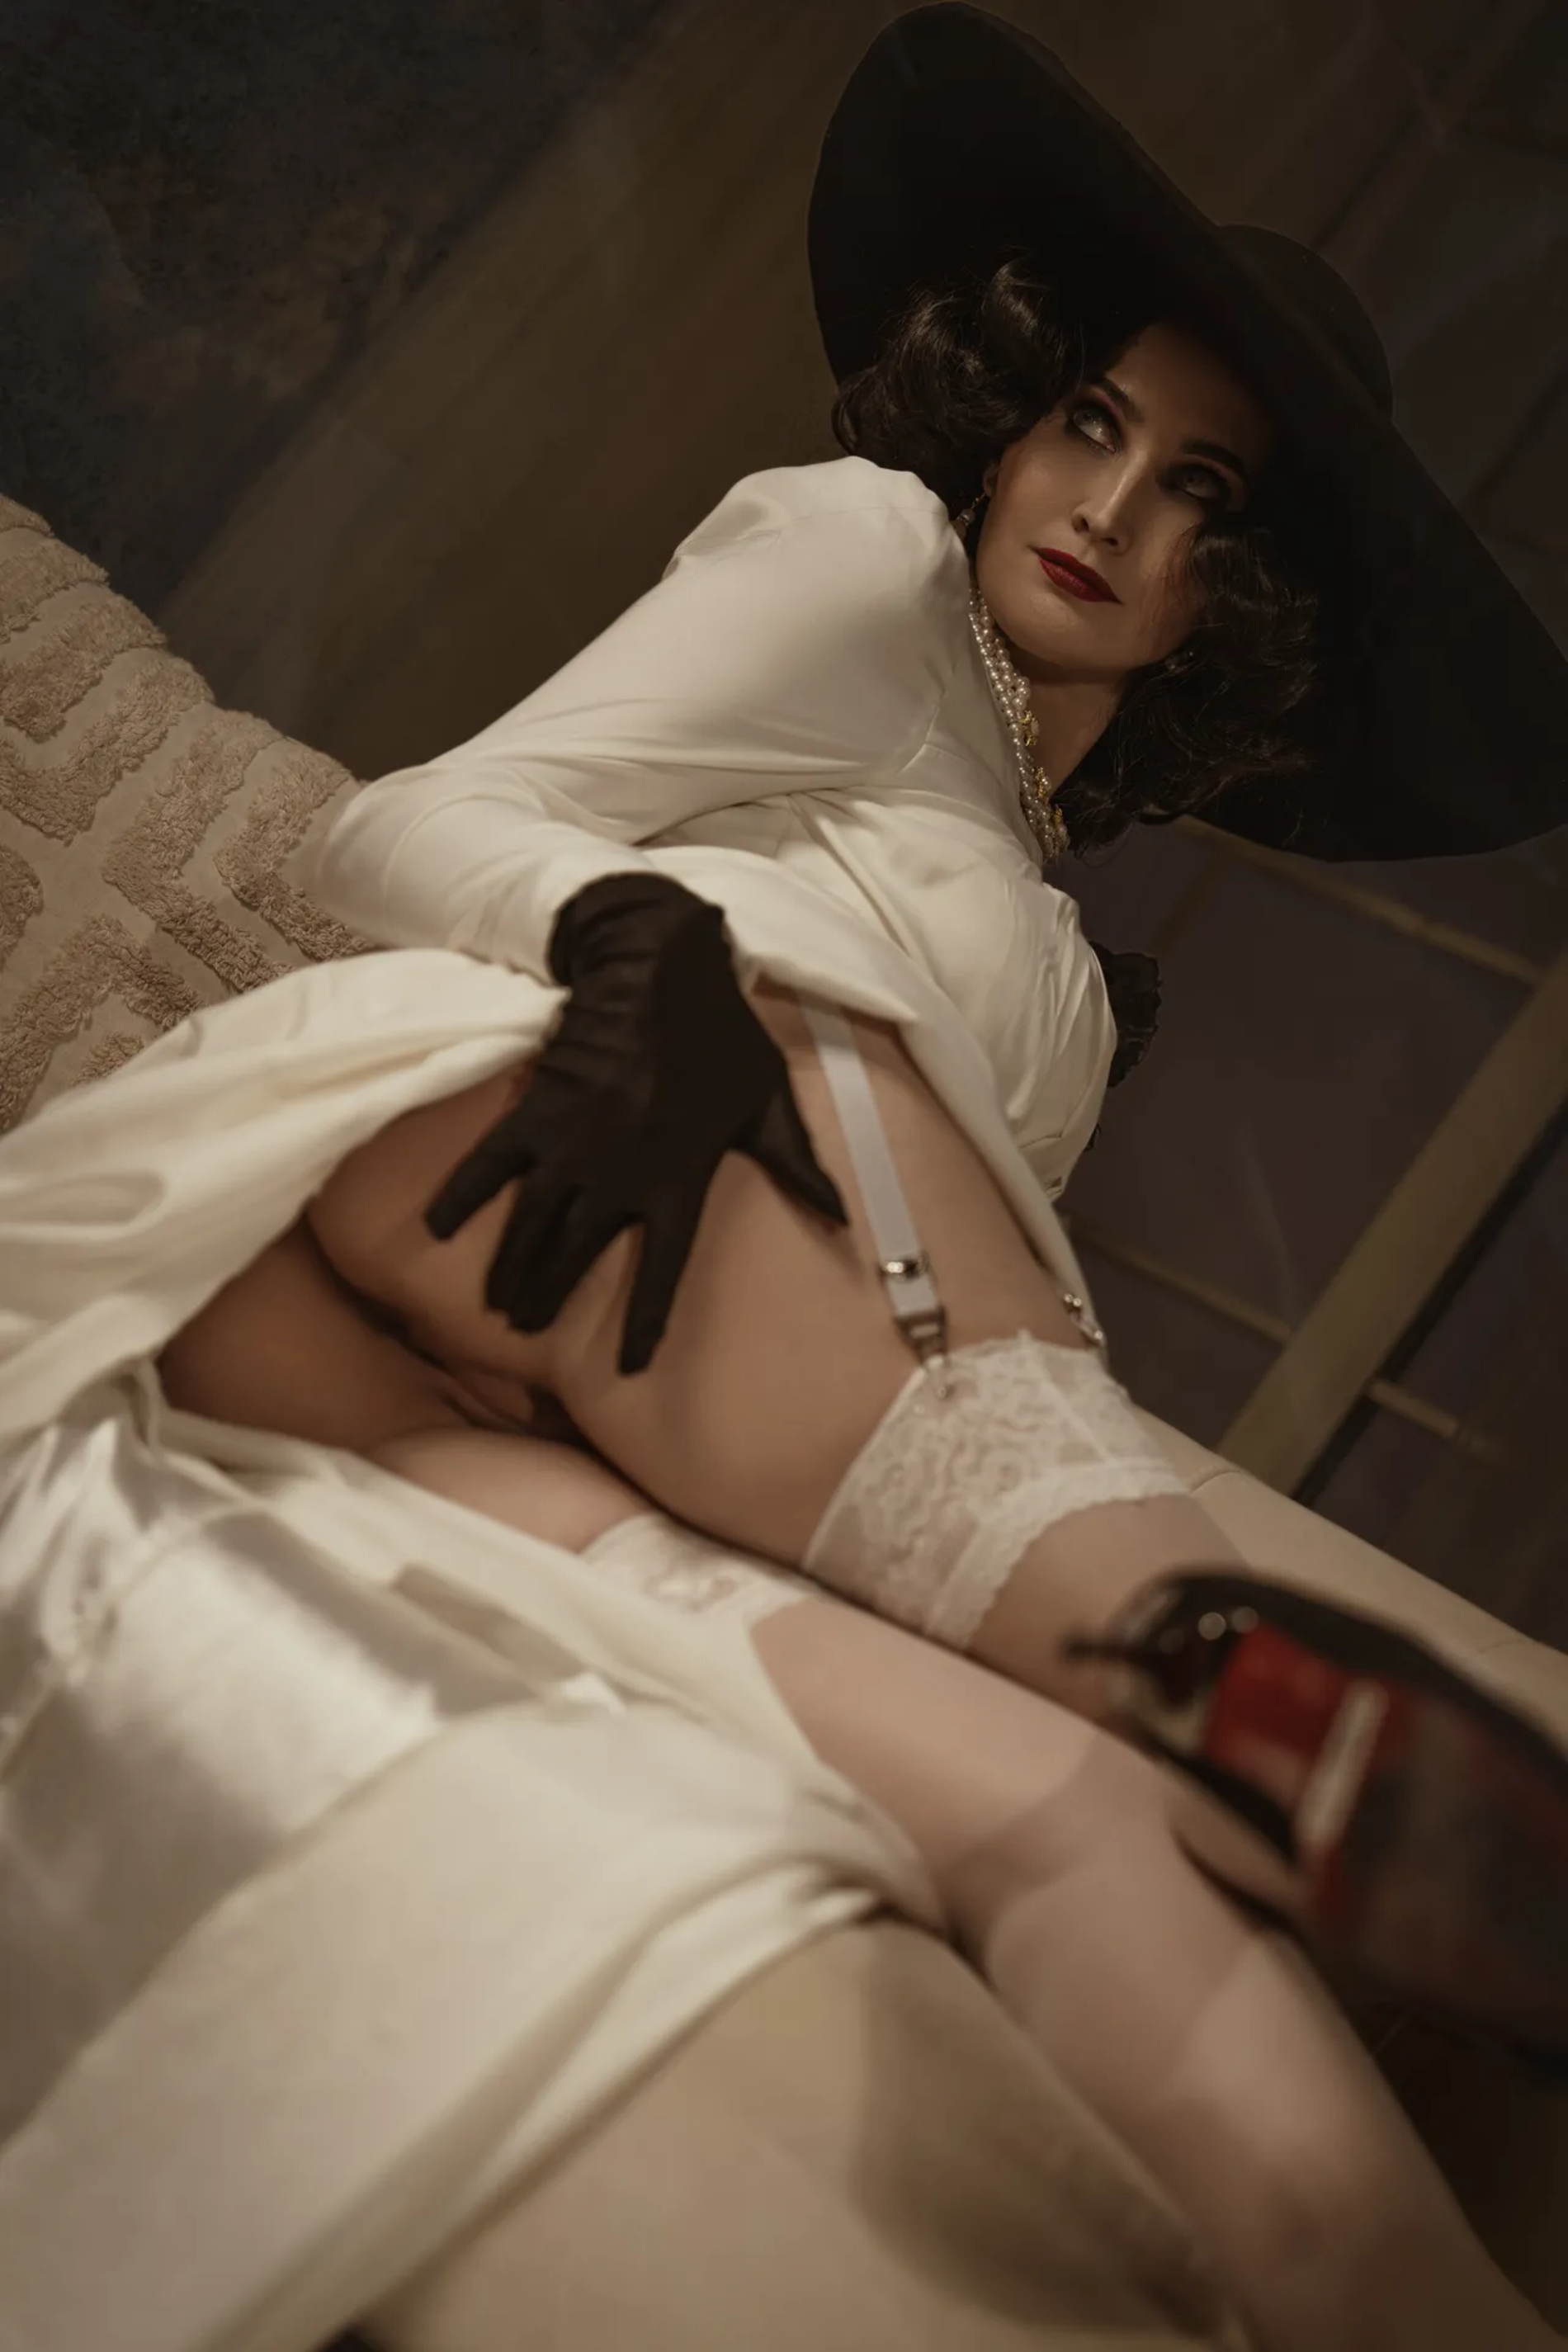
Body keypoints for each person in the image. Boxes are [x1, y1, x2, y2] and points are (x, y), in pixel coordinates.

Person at [175, 11, 1568, 2348]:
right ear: (1003, 411)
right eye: (1089, 419)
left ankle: (1397, 2275)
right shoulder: (867, 559)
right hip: (547, 1138)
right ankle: (1215, 1669)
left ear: (1236, 602)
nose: (1110, 511)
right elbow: (405, 820)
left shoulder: (1054, 942)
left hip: (454, 1394)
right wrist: (633, 942)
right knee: (1129, 1616)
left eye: (1202, 496)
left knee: (1072, 1835)